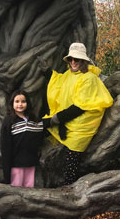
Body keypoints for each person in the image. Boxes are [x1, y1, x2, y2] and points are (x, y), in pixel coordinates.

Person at [45, 43, 113, 185]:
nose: (73, 62)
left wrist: (54, 120)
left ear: (83, 61)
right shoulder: (69, 75)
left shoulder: (88, 78)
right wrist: (47, 72)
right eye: (71, 59)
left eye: (77, 59)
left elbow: (79, 107)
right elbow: (60, 86)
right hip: (66, 120)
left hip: (81, 124)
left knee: (72, 157)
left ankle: (69, 188)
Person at [0, 89, 45, 187]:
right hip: (16, 165)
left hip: (30, 163)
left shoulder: (34, 120)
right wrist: (6, 172)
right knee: (16, 192)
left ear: (27, 103)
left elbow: (41, 132)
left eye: (23, 101)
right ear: (12, 103)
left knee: (28, 191)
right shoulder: (8, 121)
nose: (20, 104)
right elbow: (5, 147)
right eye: (17, 101)